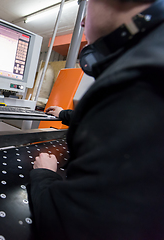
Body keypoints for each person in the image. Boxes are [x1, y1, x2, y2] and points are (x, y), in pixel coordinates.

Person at [29, 0, 164, 239]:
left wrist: (44, 175)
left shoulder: (139, 82)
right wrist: (63, 114)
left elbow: (72, 225)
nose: (82, 21)